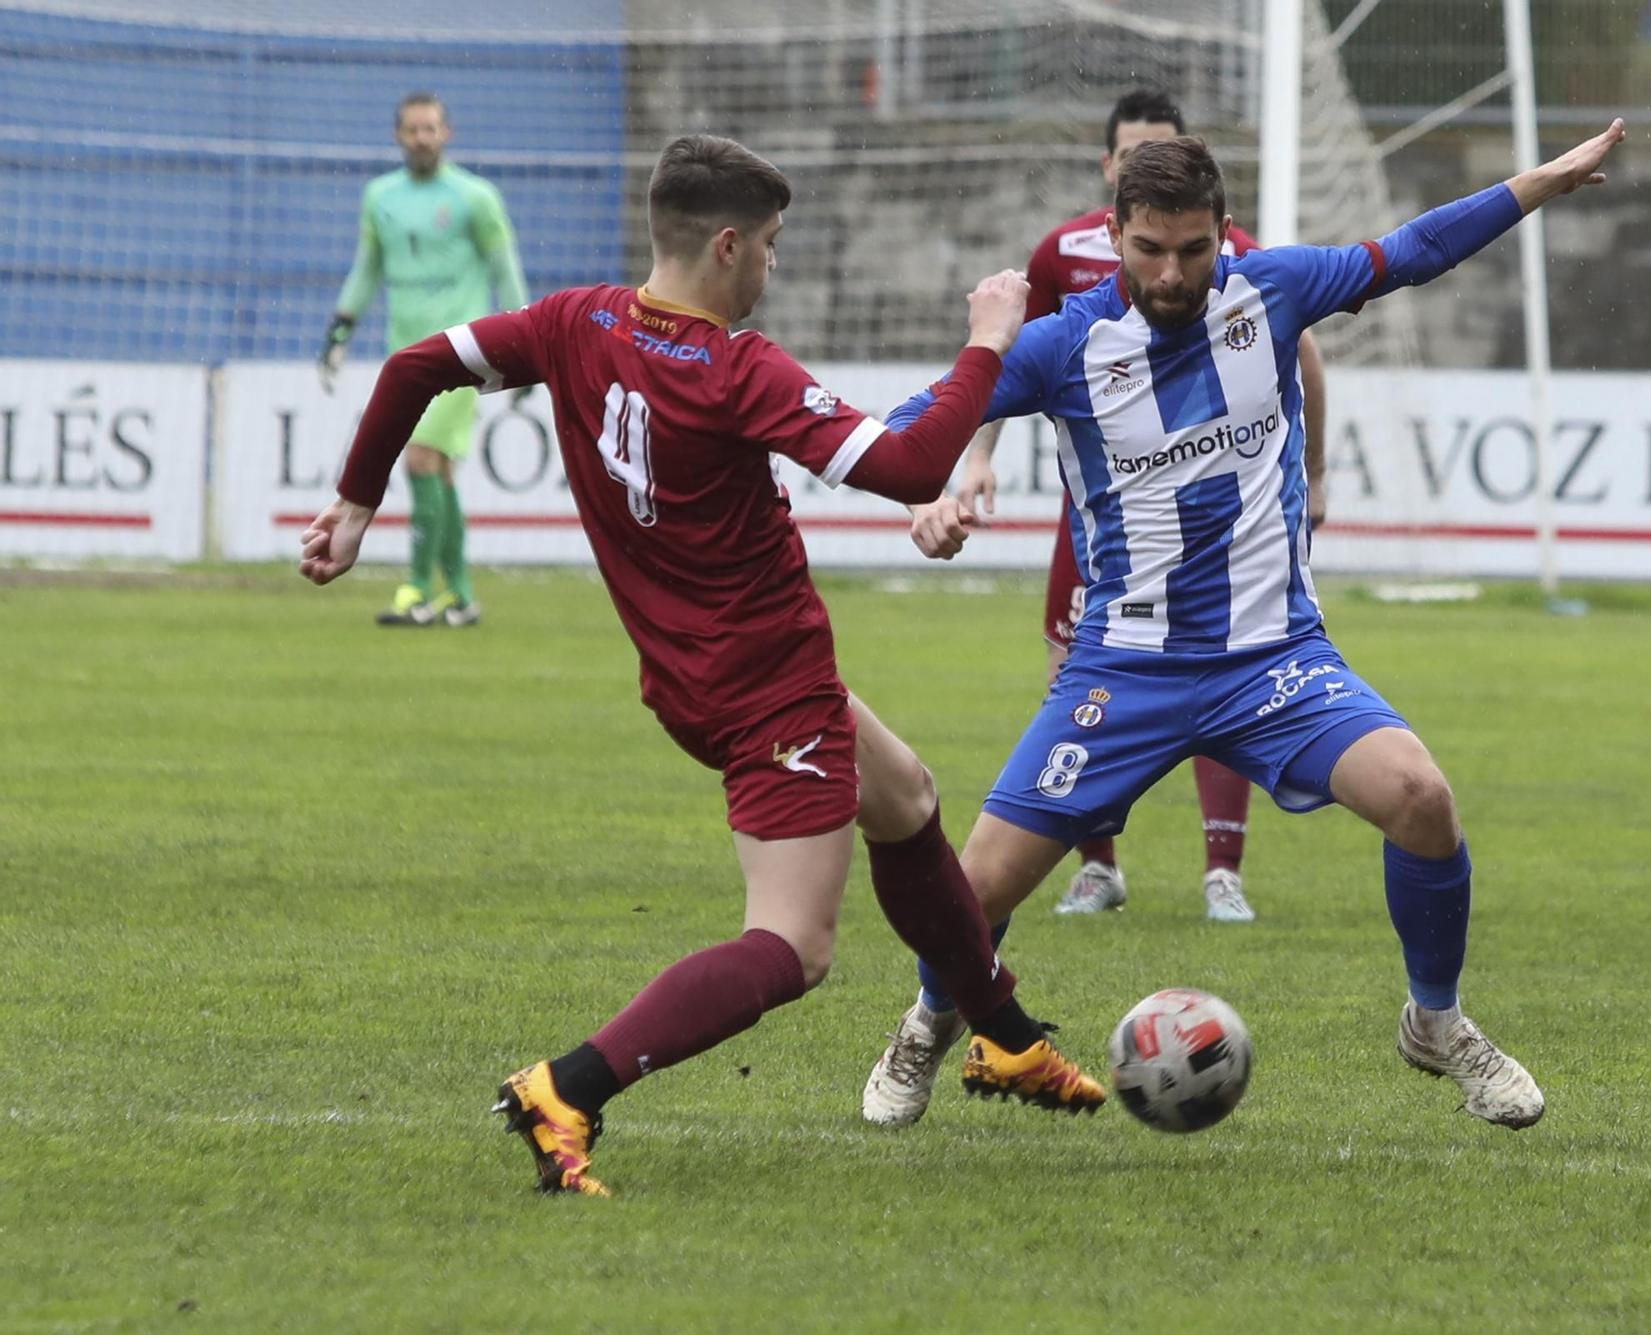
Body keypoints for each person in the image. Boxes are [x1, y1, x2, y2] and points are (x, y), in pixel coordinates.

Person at [298, 134, 1105, 1197]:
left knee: (905, 798)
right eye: (768, 247)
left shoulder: (572, 322)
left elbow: (414, 366)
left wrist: (356, 507)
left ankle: (1001, 1036)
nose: (770, 268)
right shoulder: (737, 370)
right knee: (793, 947)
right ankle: (565, 1087)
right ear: (726, 246)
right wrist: (988, 342)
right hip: (772, 690)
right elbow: (910, 463)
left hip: (688, 675)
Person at [864, 121, 1629, 1132]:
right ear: (1116, 235)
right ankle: (927, 1022)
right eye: (1149, 250)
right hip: (1123, 670)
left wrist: (1534, 184)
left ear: (1223, 231)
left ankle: (1435, 1023)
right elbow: (915, 426)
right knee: (974, 889)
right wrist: (923, 493)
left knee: (1421, 800)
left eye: (1193, 248)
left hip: (1273, 658)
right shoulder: (1063, 345)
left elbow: (1415, 250)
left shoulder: (1271, 290)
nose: (1173, 272)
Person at [931, 90, 1330, 925]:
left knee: (1231, 661)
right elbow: (1003, 370)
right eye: (1132, 152)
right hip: (1109, 518)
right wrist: (972, 462)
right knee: (1072, 672)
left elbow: (1305, 351)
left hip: (1219, 516)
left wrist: (1316, 469)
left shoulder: (1237, 263)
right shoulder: (1060, 255)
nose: (1170, 269)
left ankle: (1222, 867)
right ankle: (1095, 864)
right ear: (1110, 173)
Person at [317, 92, 530, 628]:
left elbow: (505, 269)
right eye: (413, 129)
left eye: (430, 128)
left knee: (419, 459)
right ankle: (459, 596)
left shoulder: (475, 197)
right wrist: (341, 328)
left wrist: (527, 342)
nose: (422, 137)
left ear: (447, 133)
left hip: (464, 353)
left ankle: (414, 590)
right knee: (441, 471)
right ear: (398, 135)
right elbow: (367, 269)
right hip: (406, 357)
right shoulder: (380, 197)